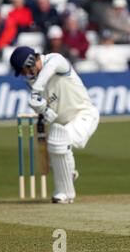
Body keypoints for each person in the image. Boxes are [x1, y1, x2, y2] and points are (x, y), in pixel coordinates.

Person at [9, 46, 100, 204]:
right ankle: (68, 174)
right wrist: (42, 110)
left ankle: (65, 194)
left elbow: (51, 66)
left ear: (30, 62)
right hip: (61, 125)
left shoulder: (55, 60)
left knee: (59, 141)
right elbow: (48, 110)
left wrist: (36, 91)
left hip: (84, 115)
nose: (24, 75)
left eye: (23, 71)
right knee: (55, 150)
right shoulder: (32, 83)